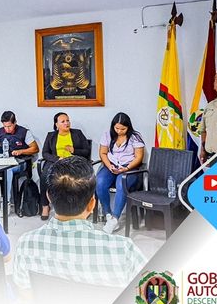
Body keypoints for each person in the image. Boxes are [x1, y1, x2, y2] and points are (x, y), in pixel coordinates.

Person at [12, 156, 146, 290]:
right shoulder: (123, 251)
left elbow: (25, 296)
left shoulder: (25, 244)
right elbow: (152, 297)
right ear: (92, 204)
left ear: (49, 197)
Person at [96, 112, 145, 234]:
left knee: (121, 184)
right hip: (111, 166)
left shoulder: (135, 137)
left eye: (123, 129)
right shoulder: (107, 135)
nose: (119, 131)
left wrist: (126, 168)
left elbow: (139, 157)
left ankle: (115, 218)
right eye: (116, 128)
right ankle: (108, 214)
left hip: (129, 168)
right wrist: (109, 166)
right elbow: (103, 153)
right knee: (99, 182)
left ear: (128, 127)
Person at [39, 112, 90, 220]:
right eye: (63, 121)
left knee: (74, 180)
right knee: (44, 177)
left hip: (73, 163)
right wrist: (57, 159)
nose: (66, 123)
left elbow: (86, 151)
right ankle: (45, 206)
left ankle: (78, 208)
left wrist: (74, 150)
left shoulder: (77, 133)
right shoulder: (51, 136)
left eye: (67, 120)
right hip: (56, 162)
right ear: (56, 124)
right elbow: (45, 153)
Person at [0, 111, 39, 202]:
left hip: (21, 162)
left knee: (7, 170)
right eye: (5, 126)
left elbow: (35, 149)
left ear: (15, 122)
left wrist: (21, 151)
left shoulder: (24, 132)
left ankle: (6, 201)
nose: (7, 129)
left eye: (9, 126)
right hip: (4, 160)